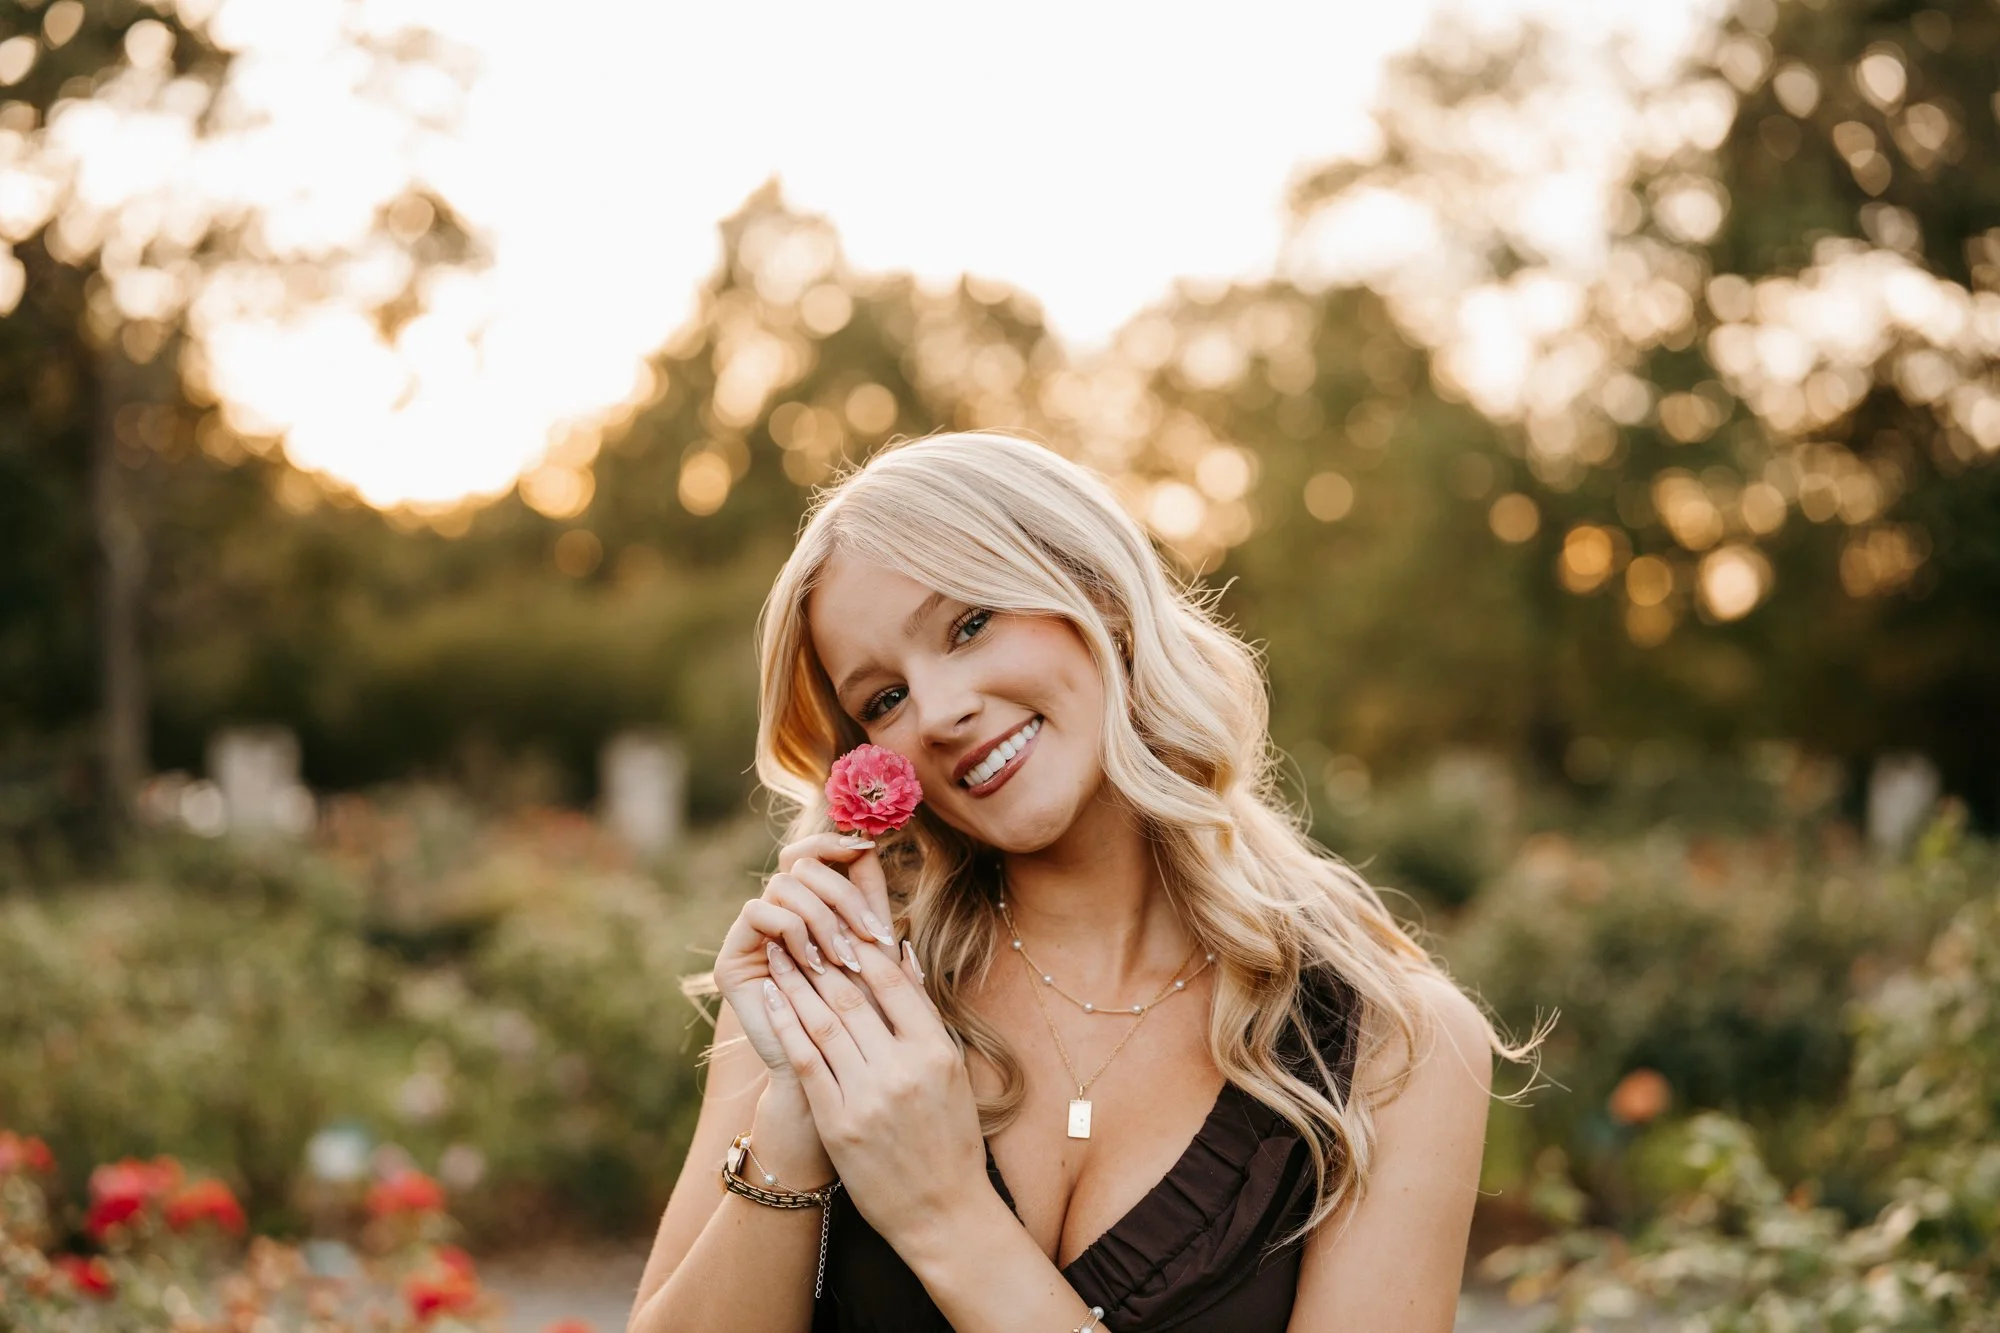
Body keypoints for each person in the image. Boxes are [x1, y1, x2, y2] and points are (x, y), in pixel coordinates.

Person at [629, 431, 1528, 1332]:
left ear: (1099, 593)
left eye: (970, 623)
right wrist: (798, 1111)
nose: (939, 712)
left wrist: (947, 1216)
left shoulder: (1394, 1048)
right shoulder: (825, 993)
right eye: (883, 699)